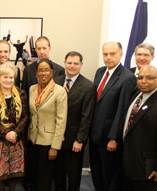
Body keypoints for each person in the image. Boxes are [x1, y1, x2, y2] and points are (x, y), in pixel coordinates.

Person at [90, 42, 137, 191]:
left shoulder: (127, 77)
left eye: (112, 54)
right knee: (96, 173)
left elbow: (122, 111)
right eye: (105, 54)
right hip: (94, 133)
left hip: (109, 137)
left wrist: (114, 138)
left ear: (121, 54)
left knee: (109, 176)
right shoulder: (100, 71)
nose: (108, 57)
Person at [120, 65, 157, 191]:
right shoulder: (137, 95)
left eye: (149, 78)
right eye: (140, 77)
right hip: (129, 161)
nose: (143, 81)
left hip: (147, 168)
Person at [0, 62, 29, 191]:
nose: (8, 80)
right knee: (0, 171)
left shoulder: (22, 94)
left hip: (16, 139)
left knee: (15, 170)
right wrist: (5, 132)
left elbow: (26, 116)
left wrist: (15, 133)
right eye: (5, 77)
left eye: (11, 77)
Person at [54, 51, 96, 191]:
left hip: (74, 140)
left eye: (75, 63)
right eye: (69, 63)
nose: (72, 66)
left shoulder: (88, 86)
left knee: (73, 176)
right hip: (56, 138)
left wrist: (80, 140)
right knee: (58, 174)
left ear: (81, 65)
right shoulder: (56, 81)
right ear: (65, 63)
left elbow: (87, 117)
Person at [28, 58, 67, 191]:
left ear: (51, 72)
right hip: (32, 140)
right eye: (40, 70)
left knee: (44, 180)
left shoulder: (59, 91)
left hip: (48, 142)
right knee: (33, 176)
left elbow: (61, 121)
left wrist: (55, 147)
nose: (43, 73)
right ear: (36, 73)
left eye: (46, 70)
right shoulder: (32, 89)